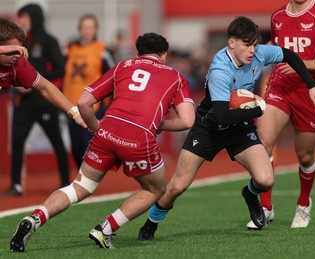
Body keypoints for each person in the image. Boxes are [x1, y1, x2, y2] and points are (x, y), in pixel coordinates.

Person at [137, 16, 315, 240]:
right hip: (209, 127)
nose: (252, 50)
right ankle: (150, 224)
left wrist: (312, 86)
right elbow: (223, 115)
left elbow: (290, 55)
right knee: (177, 187)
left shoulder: (259, 53)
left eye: (255, 44)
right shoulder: (220, 70)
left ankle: (249, 194)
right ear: (232, 43)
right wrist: (258, 110)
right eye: (247, 44)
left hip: (239, 127)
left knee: (266, 180)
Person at [9, 32, 195, 252]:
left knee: (80, 186)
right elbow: (187, 120)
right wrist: (160, 125)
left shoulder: (122, 66)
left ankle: (34, 218)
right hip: (139, 136)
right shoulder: (175, 76)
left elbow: (84, 101)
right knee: (155, 189)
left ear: (137, 53)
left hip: (106, 130)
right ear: (164, 55)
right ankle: (106, 229)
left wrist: (95, 126)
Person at [246, 0, 315, 230]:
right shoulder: (278, 15)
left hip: (309, 92)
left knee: (305, 156)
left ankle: (303, 204)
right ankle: (266, 208)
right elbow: (274, 45)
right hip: (279, 87)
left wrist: (300, 64)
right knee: (263, 144)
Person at [4, 3, 71, 196]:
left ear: (35, 17)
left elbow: (60, 68)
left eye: (24, 17)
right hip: (22, 103)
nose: (21, 21)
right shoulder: (18, 42)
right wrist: (16, 84)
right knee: (17, 142)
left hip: (43, 101)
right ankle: (16, 185)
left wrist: (33, 80)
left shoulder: (49, 41)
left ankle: (66, 183)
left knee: (57, 142)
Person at [0, 16, 85, 147]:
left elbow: (45, 88)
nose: (16, 55)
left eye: (19, 50)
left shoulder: (18, 64)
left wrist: (75, 113)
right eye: (11, 51)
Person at [62, 13, 115, 168]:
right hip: (70, 105)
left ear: (95, 30)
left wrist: (109, 105)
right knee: (75, 146)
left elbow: (113, 77)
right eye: (84, 27)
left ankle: (88, 178)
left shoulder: (102, 50)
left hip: (92, 106)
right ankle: (82, 177)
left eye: (90, 27)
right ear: (80, 29)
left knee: (88, 145)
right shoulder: (69, 49)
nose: (86, 30)